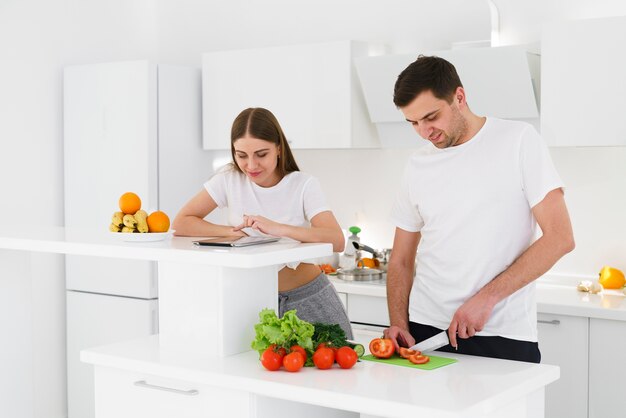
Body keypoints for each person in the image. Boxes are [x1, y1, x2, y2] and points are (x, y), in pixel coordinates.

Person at [383, 55, 575, 363]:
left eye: (431, 117)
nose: (423, 132)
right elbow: (401, 260)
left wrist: (487, 299)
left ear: (459, 97)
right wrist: (398, 322)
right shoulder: (417, 165)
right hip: (424, 330)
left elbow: (560, 238)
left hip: (500, 333)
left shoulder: (519, 141)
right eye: (413, 123)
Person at [173, 107, 353, 339]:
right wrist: (233, 233)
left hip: (306, 297)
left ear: (279, 147)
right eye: (241, 155)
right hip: (248, 304)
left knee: (339, 369)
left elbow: (336, 239)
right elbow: (181, 223)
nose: (251, 165)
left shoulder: (303, 185)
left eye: (261, 154)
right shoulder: (228, 180)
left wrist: (277, 228)